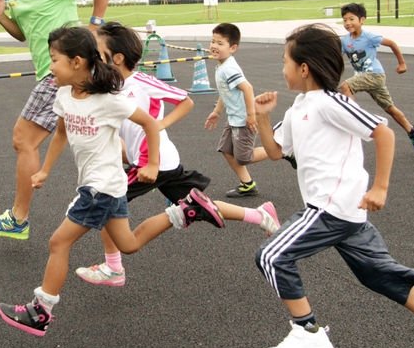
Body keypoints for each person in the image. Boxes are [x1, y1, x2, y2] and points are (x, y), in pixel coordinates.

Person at [253, 23, 414, 348]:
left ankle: (307, 330)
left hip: (331, 207)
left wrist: (380, 186)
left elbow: (383, 132)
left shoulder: (330, 103)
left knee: (272, 256)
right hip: (341, 211)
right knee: (377, 274)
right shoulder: (300, 107)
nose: (282, 68)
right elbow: (276, 151)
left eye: (285, 61)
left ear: (304, 68)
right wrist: (263, 117)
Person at [0, 26, 225, 336]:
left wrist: (153, 164)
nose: (50, 67)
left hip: (100, 187)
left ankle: (41, 310)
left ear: (77, 62)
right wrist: (46, 169)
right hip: (108, 183)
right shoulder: (64, 94)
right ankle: (184, 211)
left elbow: (150, 125)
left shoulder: (108, 99)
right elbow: (61, 133)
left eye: (54, 59)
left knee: (58, 242)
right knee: (127, 244)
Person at [73, 22, 280, 286]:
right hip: (160, 162)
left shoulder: (142, 82)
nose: (94, 60)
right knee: (201, 203)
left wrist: (158, 125)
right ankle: (260, 215)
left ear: (117, 58)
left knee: (107, 200)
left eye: (99, 54)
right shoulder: (110, 87)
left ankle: (113, 268)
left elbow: (186, 100)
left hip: (155, 163)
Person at [0, 0, 112, 239]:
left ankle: (19, 218)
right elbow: (25, 34)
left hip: (64, 71)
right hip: (50, 69)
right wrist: (1, 18)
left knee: (23, 140)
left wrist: (93, 29)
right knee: (102, 133)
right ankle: (163, 175)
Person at [339, 3, 414, 153]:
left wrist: (402, 63)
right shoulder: (345, 41)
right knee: (390, 109)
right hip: (362, 77)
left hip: (375, 75)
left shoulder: (369, 37)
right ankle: (412, 130)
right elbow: (335, 57)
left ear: (362, 20)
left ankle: (355, 121)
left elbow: (391, 43)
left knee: (345, 87)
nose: (347, 23)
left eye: (351, 19)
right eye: (345, 20)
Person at [204, 23, 268, 197]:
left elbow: (247, 88)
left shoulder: (229, 68)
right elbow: (225, 93)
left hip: (242, 119)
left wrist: (250, 116)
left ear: (233, 48)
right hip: (233, 117)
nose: (214, 46)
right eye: (213, 41)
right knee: (226, 149)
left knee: (244, 157)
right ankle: (247, 184)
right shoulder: (222, 66)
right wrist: (217, 112)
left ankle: (282, 149)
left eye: (220, 43)